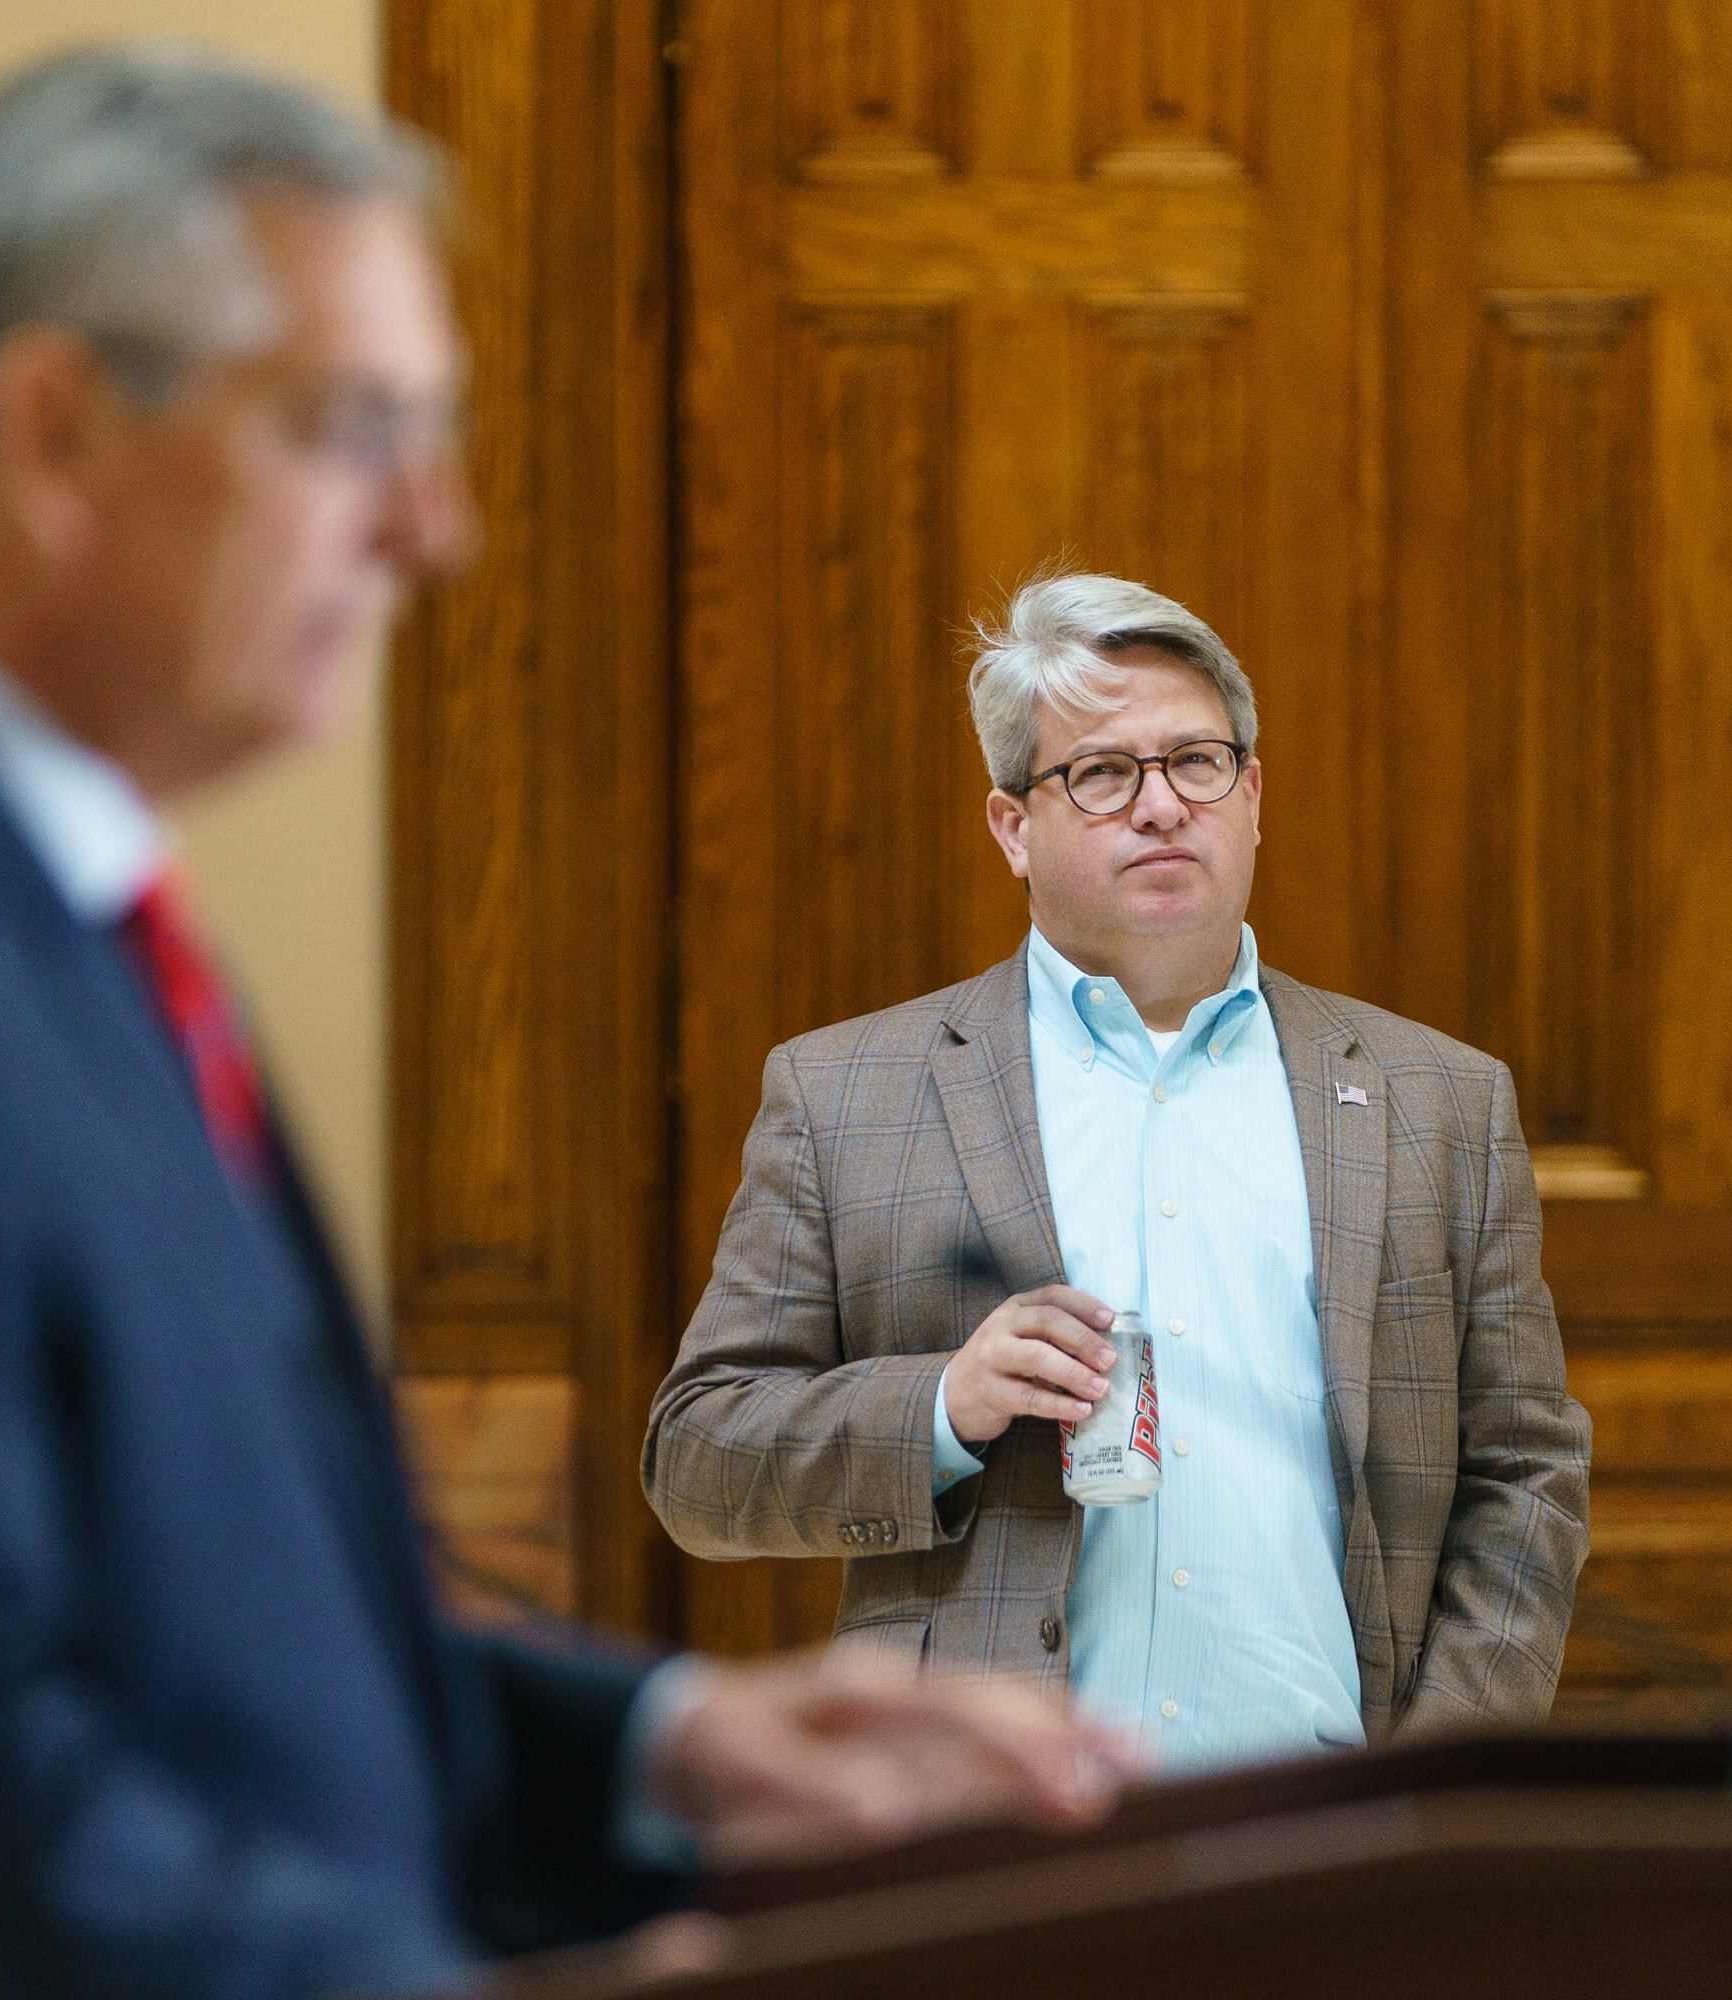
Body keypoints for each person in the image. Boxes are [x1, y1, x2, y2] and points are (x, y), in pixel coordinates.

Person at [0, 48, 1130, 2000]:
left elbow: (211, 1662)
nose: (432, 526)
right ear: (55, 427)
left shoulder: (48, 911)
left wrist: (663, 1750)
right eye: (353, 426)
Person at [643, 573, 1591, 1770]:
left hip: (1330, 1841)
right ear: (1012, 826)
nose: (1159, 806)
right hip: (1002, 1839)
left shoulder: (1438, 1101)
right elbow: (697, 1458)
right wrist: (943, 1406)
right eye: (1100, 772)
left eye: (1196, 762)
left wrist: (1438, 1778)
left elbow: (1526, 1472)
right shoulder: (848, 1095)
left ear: (1253, 797)